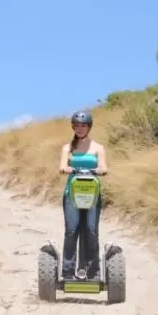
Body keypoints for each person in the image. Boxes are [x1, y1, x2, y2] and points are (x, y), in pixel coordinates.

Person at [56, 110, 109, 279]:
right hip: (72, 193)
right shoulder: (67, 148)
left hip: (92, 194)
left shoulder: (98, 148)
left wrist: (96, 170)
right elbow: (62, 167)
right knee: (72, 230)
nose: (79, 128)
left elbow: (103, 168)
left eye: (83, 125)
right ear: (73, 127)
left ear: (89, 127)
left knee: (91, 230)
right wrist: (69, 169)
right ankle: (68, 271)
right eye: (76, 125)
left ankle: (93, 272)